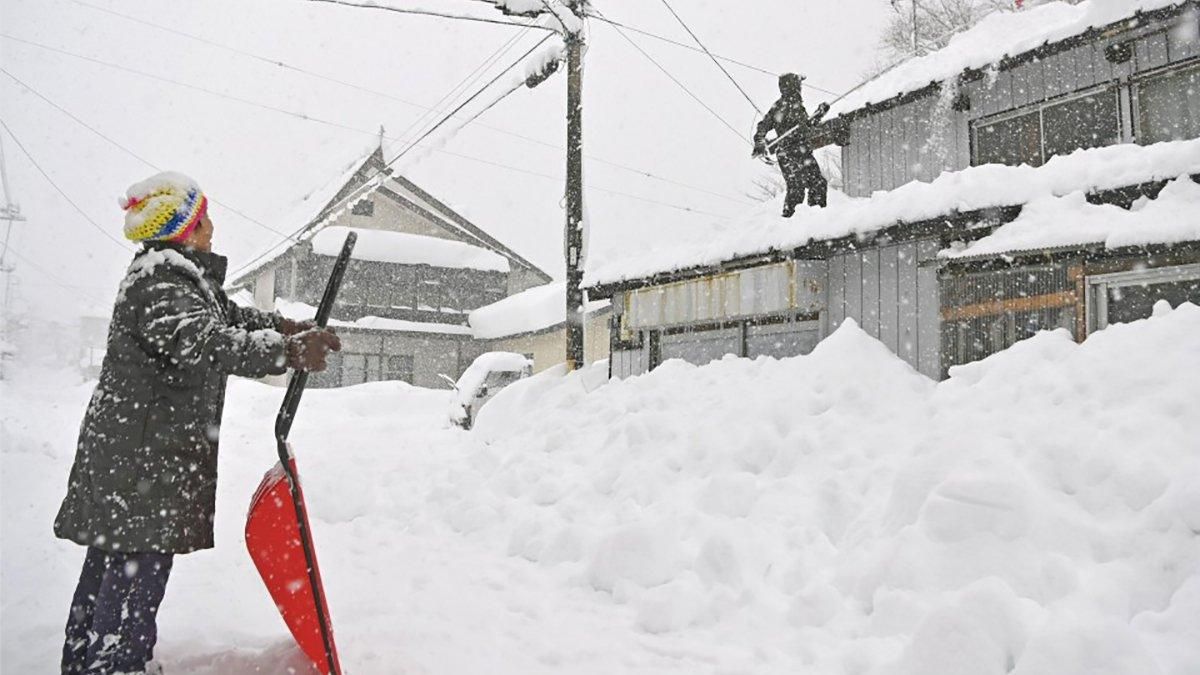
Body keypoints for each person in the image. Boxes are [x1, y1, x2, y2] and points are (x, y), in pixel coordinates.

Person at [53, 172, 342, 674]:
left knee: (115, 562)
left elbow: (229, 319)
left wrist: (285, 327)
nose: (212, 229)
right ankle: (114, 665)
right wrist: (287, 351)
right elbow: (207, 342)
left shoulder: (177, 280)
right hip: (140, 459)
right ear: (184, 230)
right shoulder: (161, 285)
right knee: (134, 572)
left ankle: (90, 661)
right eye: (204, 221)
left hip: (136, 453)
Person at [753, 72, 831, 217]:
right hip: (788, 153)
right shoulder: (780, 106)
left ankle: (816, 216)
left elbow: (806, 128)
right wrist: (759, 141)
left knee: (818, 183)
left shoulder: (798, 106)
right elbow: (763, 126)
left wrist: (818, 114)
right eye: (799, 84)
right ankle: (789, 222)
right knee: (797, 188)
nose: (801, 87)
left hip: (803, 152)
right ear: (792, 86)